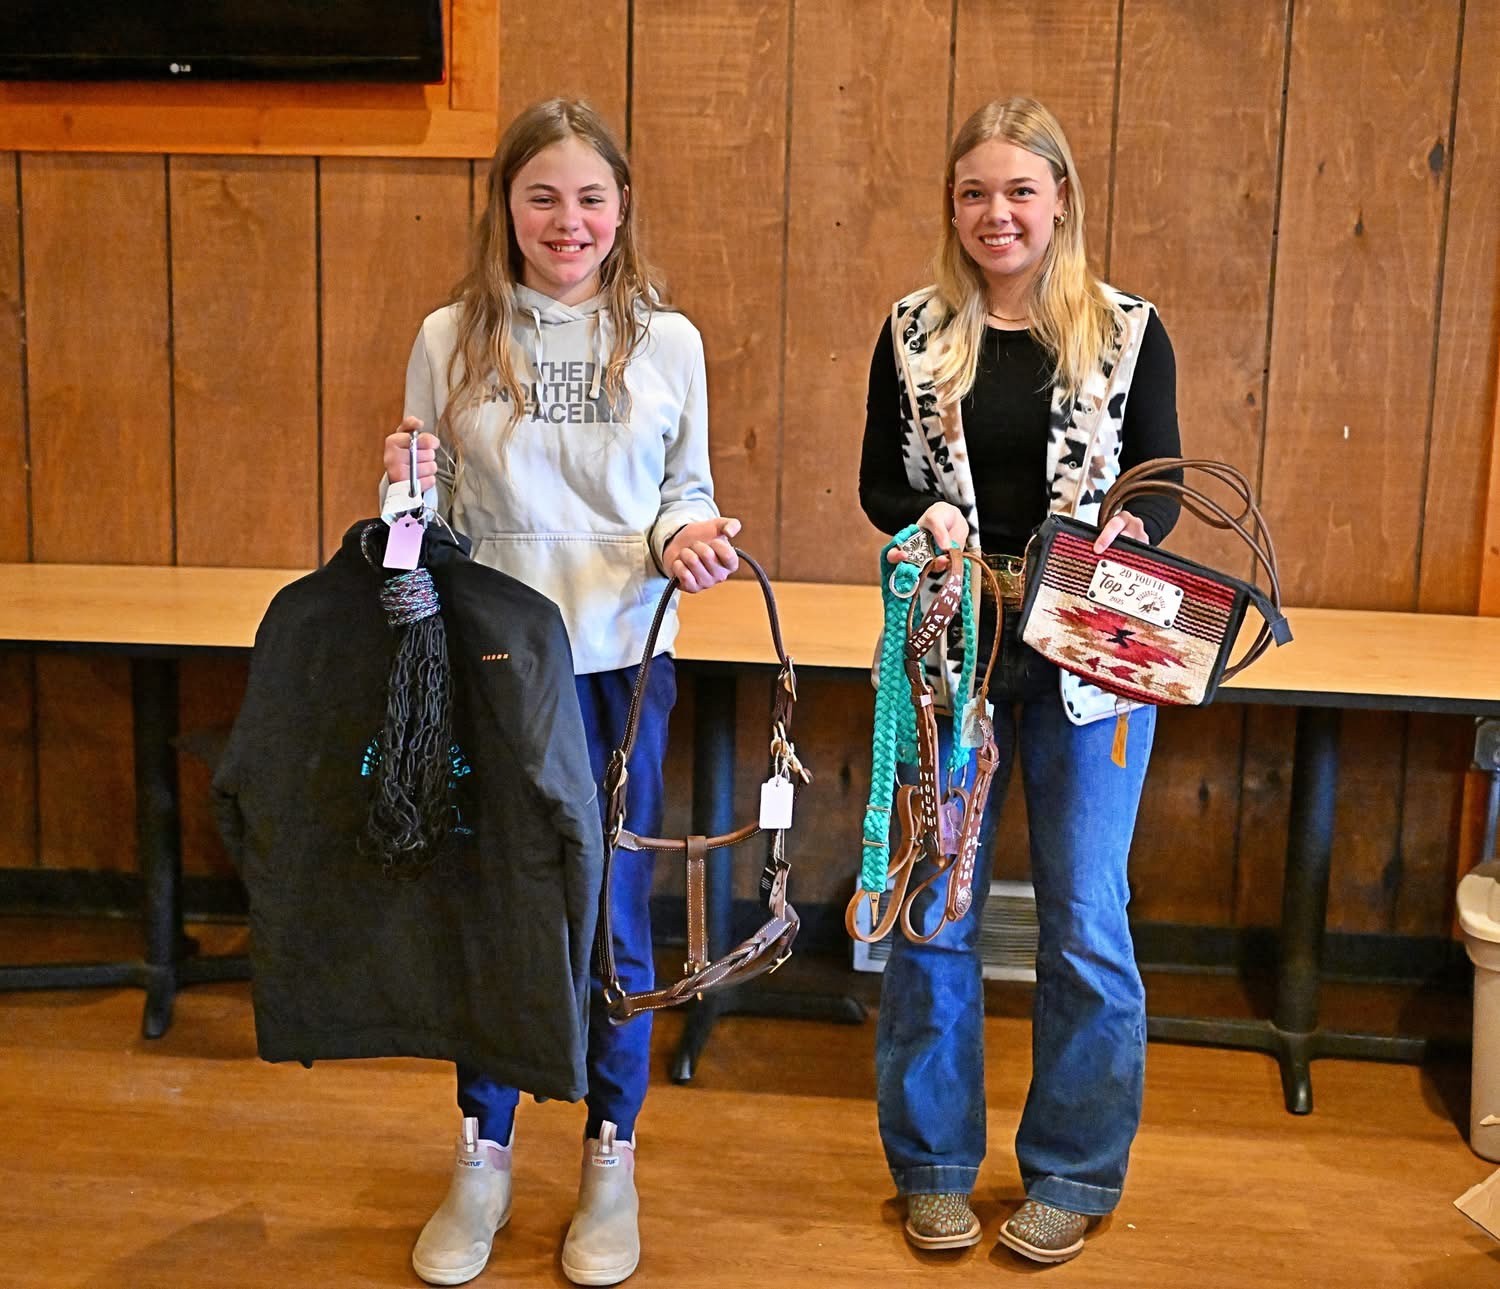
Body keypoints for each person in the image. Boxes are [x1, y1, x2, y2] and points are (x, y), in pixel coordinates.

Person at [383, 97, 740, 1287]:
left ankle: (609, 1154)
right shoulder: (450, 336)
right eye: (542, 196)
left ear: (622, 206)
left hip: (623, 662)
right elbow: (422, 521)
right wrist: (400, 499)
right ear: (506, 205)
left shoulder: (668, 341)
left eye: (590, 197)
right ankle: (482, 1153)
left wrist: (689, 536)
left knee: (613, 915)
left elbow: (685, 490)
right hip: (493, 667)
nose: (567, 220)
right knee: (497, 907)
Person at [856, 96, 1182, 1266]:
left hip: (1089, 653)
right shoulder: (914, 330)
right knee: (935, 912)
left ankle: (1074, 1170)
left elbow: (1160, 479)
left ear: (1060, 200)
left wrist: (1135, 529)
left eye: (1019, 191)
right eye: (974, 193)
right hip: (954, 649)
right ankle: (934, 1167)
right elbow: (881, 482)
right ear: (954, 208)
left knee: (1085, 917)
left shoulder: (1127, 329)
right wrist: (925, 515)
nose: (997, 212)